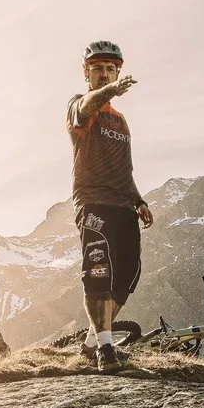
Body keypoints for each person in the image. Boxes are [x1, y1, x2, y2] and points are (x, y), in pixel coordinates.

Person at [66, 40, 154, 371]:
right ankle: (105, 348)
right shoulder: (79, 106)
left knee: (128, 275)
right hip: (93, 202)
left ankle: (91, 344)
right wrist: (111, 91)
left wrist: (138, 199)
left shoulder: (121, 122)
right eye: (97, 69)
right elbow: (89, 104)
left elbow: (124, 170)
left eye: (110, 69)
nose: (104, 74)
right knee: (98, 270)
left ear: (118, 71)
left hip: (123, 206)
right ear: (86, 72)